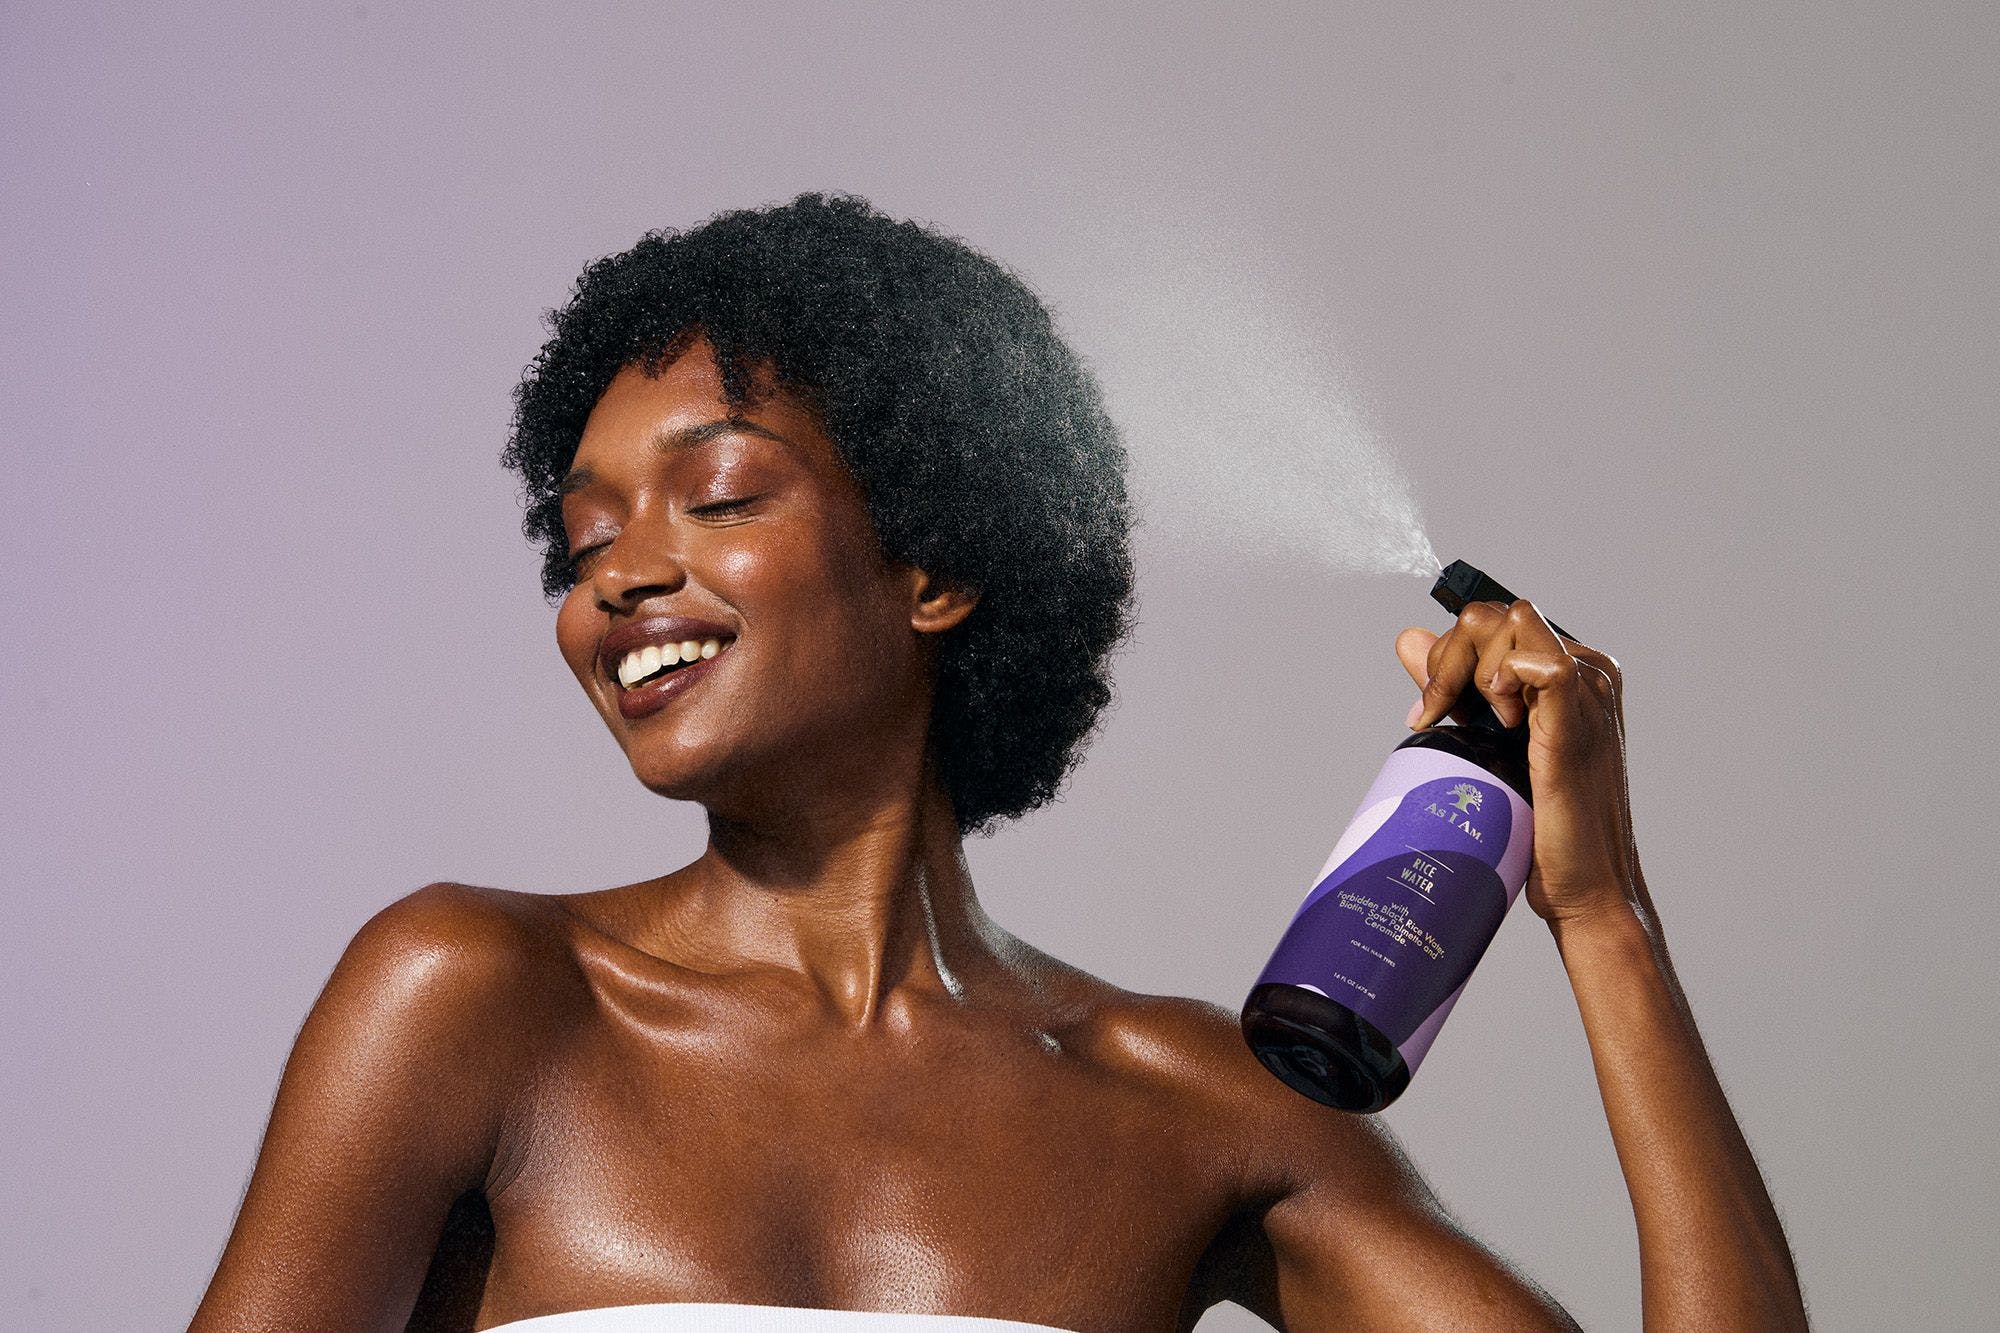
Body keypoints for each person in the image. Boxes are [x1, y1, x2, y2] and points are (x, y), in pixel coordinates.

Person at [191, 193, 1806, 1332]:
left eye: (723, 496)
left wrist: (1603, 917)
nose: (617, 575)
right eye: (586, 533)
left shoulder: (1188, 1105)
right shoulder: (473, 996)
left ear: (936, 565)